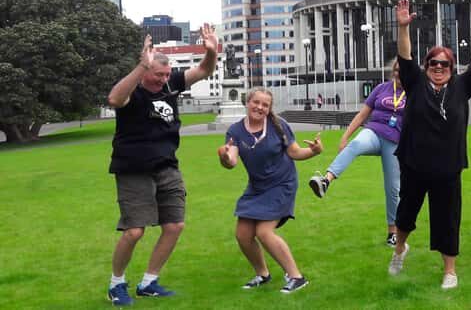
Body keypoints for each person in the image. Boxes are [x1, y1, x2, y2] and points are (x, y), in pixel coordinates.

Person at [388, 0, 471, 290]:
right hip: (415, 163)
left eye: (445, 64)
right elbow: (404, 57)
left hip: (448, 167)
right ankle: (400, 248)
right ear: (426, 65)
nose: (439, 67)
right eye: (434, 63)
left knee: (448, 220)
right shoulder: (415, 82)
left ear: (452, 68)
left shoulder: (461, 87)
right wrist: (403, 27)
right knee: (405, 214)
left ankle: (449, 271)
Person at [105, 25, 218, 306]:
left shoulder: (170, 84)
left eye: (167, 75)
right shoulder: (134, 90)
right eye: (158, 74)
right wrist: (140, 66)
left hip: (167, 166)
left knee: (175, 225)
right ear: (145, 72)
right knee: (134, 231)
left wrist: (212, 51)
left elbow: (203, 70)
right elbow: (115, 99)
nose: (164, 80)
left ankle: (148, 282)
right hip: (134, 168)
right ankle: (116, 283)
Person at [217, 88, 323, 293]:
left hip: (282, 183)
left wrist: (314, 151)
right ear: (247, 103)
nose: (260, 107)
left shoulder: (278, 126)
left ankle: (296, 277)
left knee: (264, 232)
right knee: (243, 234)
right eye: (256, 102)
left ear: (269, 108)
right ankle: (262, 274)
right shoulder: (235, 131)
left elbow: (295, 153)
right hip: (257, 187)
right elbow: (232, 161)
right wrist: (225, 158)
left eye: (265, 105)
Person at [308, 60, 406, 246]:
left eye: (402, 71)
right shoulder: (381, 89)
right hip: (374, 132)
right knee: (355, 144)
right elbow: (362, 115)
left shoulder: (415, 93)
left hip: (396, 142)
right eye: (396, 70)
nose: (398, 74)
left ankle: (392, 231)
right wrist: (345, 136)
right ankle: (326, 181)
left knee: (393, 188)